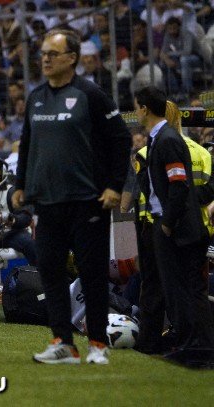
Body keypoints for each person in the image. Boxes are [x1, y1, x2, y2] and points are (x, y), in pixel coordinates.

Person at [13, 29, 132, 364]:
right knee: (50, 272)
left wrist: (114, 185)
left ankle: (97, 345)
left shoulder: (90, 94)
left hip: (87, 201)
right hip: (47, 203)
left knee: (92, 275)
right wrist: (20, 185)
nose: (45, 59)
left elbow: (121, 139)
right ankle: (63, 342)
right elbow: (26, 144)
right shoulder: (36, 97)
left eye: (52, 54)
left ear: (72, 58)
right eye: (43, 54)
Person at [133, 86, 214, 351]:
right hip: (186, 224)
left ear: (145, 109)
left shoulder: (165, 141)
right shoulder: (168, 141)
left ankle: (194, 348)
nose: (135, 112)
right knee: (185, 291)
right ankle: (191, 346)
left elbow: (177, 186)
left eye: (136, 107)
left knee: (183, 291)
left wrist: (166, 223)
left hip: (175, 226)